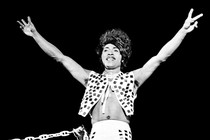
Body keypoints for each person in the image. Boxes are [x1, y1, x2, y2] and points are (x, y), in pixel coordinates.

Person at [17, 8, 203, 140]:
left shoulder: (132, 79)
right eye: (106, 49)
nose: (110, 52)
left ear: (122, 57)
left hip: (120, 134)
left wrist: (183, 31)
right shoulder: (91, 78)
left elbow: (160, 57)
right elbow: (61, 58)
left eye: (115, 49)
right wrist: (35, 35)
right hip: (96, 133)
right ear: (101, 56)